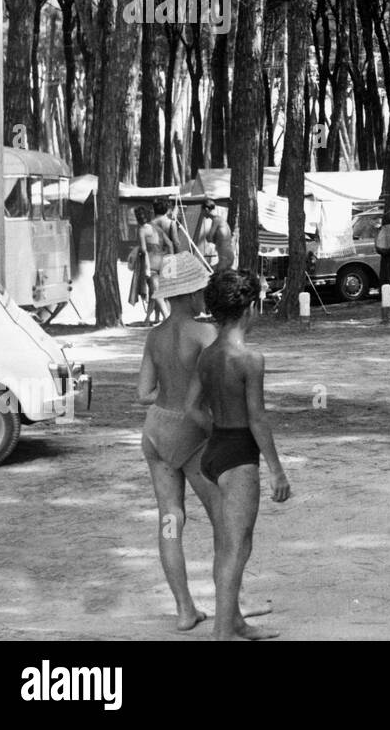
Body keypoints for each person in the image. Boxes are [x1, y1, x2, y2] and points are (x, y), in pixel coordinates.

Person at [186, 269, 291, 641]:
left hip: (214, 453)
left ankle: (234, 622)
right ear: (248, 309)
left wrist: (216, 432)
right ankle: (221, 634)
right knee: (236, 546)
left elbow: (192, 407)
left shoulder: (208, 355)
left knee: (230, 544)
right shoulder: (249, 359)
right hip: (239, 456)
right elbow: (258, 419)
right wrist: (277, 471)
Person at [136, 252, 217, 631]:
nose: (204, 295)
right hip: (191, 432)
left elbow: (142, 392)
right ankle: (232, 601)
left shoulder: (154, 335)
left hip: (156, 431)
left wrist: (169, 396)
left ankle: (185, 608)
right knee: (224, 519)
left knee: (170, 518)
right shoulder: (204, 333)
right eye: (201, 289)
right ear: (190, 294)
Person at [135, 205, 171, 325]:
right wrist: (170, 261)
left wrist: (146, 269)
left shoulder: (142, 229)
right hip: (164, 262)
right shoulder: (157, 228)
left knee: (156, 292)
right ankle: (148, 319)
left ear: (138, 218)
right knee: (155, 293)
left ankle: (167, 318)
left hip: (151, 263)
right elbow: (170, 244)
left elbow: (144, 250)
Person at [195, 199, 235, 271]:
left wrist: (208, 236)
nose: (202, 213)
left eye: (202, 210)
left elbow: (209, 238)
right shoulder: (220, 219)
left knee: (212, 273)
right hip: (228, 255)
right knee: (211, 271)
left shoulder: (216, 220)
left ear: (206, 209)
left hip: (225, 258)